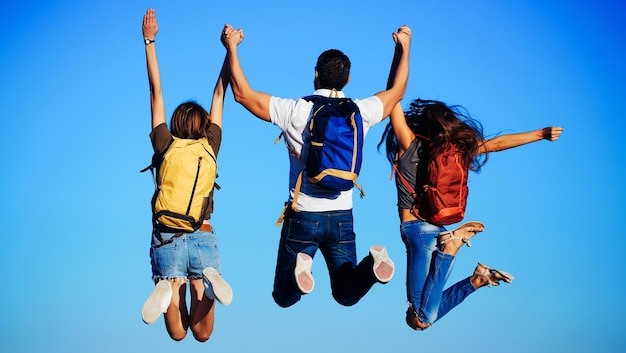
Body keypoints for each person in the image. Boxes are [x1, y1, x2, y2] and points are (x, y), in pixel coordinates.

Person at [220, 24, 412, 307]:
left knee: (284, 297)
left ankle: (301, 269)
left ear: (316, 74)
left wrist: (232, 48)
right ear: (347, 78)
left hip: (303, 216)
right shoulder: (359, 111)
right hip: (342, 217)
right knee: (346, 294)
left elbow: (242, 94)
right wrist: (403, 48)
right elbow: (397, 92)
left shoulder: (295, 110)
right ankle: (372, 267)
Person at [379, 99, 564, 330]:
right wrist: (541, 134)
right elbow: (497, 144)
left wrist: (399, 61)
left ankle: (451, 248)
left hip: (417, 233)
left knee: (421, 318)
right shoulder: (456, 148)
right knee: (418, 319)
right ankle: (478, 279)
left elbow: (393, 96)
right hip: (439, 228)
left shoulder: (409, 142)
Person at [139, 9, 233, 342]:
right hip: (202, 233)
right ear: (204, 125)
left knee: (177, 333)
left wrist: (149, 41)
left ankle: (169, 286)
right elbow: (220, 93)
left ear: (177, 124)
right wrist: (230, 51)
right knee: (202, 334)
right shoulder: (211, 143)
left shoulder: (164, 143)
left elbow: (156, 92)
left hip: (166, 237)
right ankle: (205, 284)